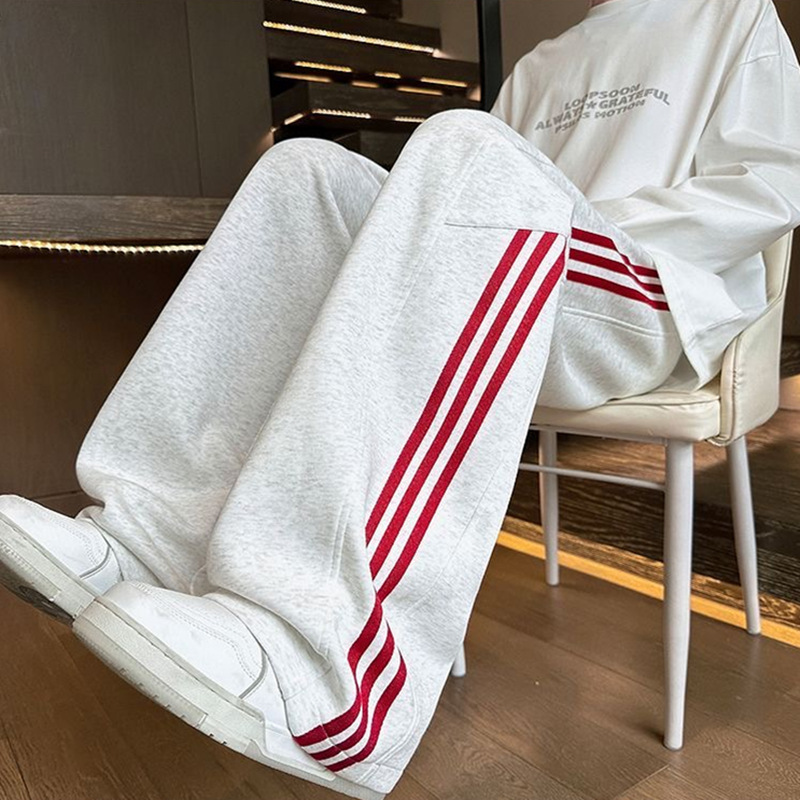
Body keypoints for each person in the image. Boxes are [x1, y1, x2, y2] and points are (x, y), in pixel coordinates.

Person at [1, 0, 798, 796]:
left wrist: (579, 219)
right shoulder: (544, 62)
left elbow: (771, 185)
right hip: (525, 269)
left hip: (647, 295)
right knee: (305, 173)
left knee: (469, 147)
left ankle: (329, 672)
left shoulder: (733, 16)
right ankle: (146, 541)